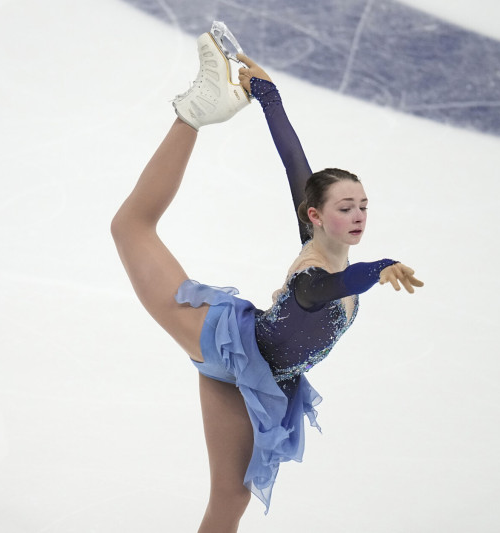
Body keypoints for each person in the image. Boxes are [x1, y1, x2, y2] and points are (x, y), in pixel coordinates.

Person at [110, 22, 423, 532]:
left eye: (363, 205)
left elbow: (293, 159)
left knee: (228, 501)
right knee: (131, 227)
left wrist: (269, 96)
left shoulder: (319, 237)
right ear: (317, 216)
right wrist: (375, 268)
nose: (358, 215)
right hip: (224, 343)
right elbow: (324, 291)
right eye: (346, 207)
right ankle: (192, 114)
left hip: (254, 380)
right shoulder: (314, 273)